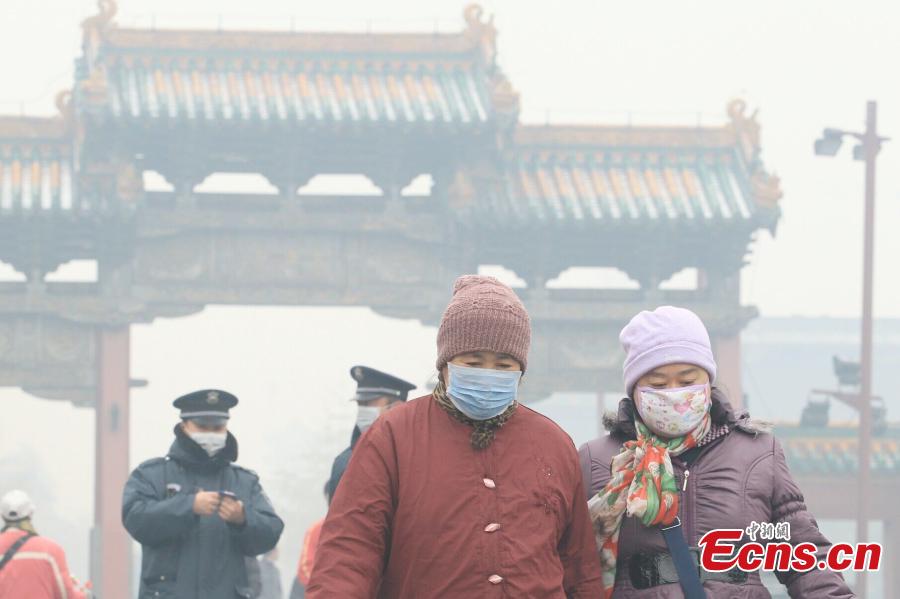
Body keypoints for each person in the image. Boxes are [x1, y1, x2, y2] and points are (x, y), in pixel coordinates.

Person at [307, 275, 604, 598]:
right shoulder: (393, 436)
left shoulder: (552, 443)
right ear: (445, 364)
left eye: (503, 364)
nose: (488, 374)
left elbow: (579, 567)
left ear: (521, 372)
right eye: (474, 362)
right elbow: (350, 551)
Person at [579, 306, 854, 598]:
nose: (675, 393)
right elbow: (563, 563)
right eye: (658, 383)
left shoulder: (759, 452)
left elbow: (805, 558)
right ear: (634, 389)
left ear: (708, 382)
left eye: (687, 381)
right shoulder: (596, 460)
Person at [122, 389, 284, 599]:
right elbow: (135, 518)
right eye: (202, 426)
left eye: (218, 427)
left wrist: (243, 518)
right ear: (183, 426)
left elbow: (271, 531)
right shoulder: (152, 475)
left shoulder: (244, 481)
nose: (211, 433)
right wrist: (188, 506)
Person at [324, 365, 416, 500]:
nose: (363, 410)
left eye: (369, 403)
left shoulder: (420, 457)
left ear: (397, 408)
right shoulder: (344, 462)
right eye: (360, 404)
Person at [0, 489, 85, 599]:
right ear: (30, 514)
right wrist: (85, 595)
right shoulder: (50, 550)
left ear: (2, 516)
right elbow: (65, 595)